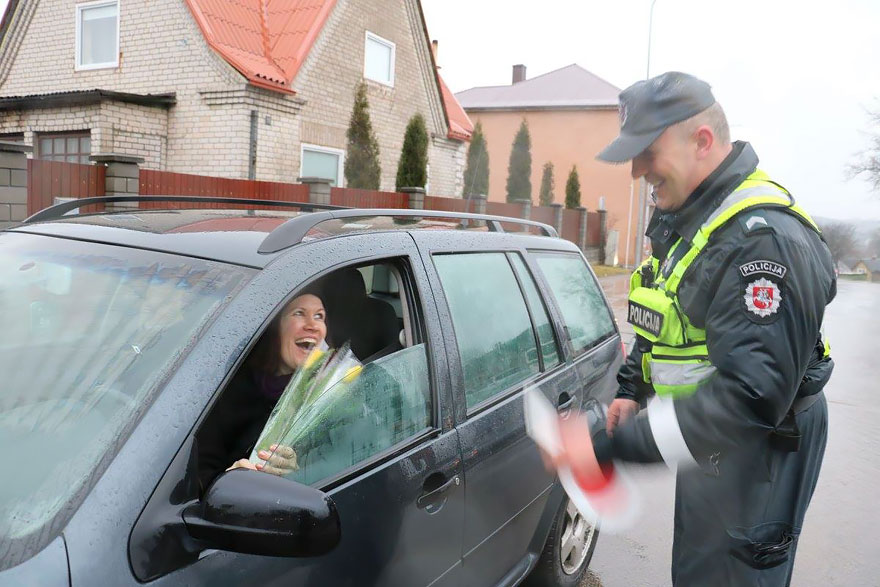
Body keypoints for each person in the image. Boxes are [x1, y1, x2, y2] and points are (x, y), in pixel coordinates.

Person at [552, 71, 836, 585]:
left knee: (728, 574)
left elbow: (748, 400)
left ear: (701, 141)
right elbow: (660, 311)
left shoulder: (762, 240)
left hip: (763, 447)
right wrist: (631, 389)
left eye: (647, 152)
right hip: (711, 439)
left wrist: (612, 447)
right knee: (698, 567)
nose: (637, 171)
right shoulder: (690, 219)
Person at [196, 289, 327, 491]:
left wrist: (297, 472)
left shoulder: (328, 396)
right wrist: (227, 481)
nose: (312, 325)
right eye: (299, 313)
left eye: (319, 316)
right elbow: (199, 472)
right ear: (274, 327)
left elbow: (332, 466)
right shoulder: (226, 386)